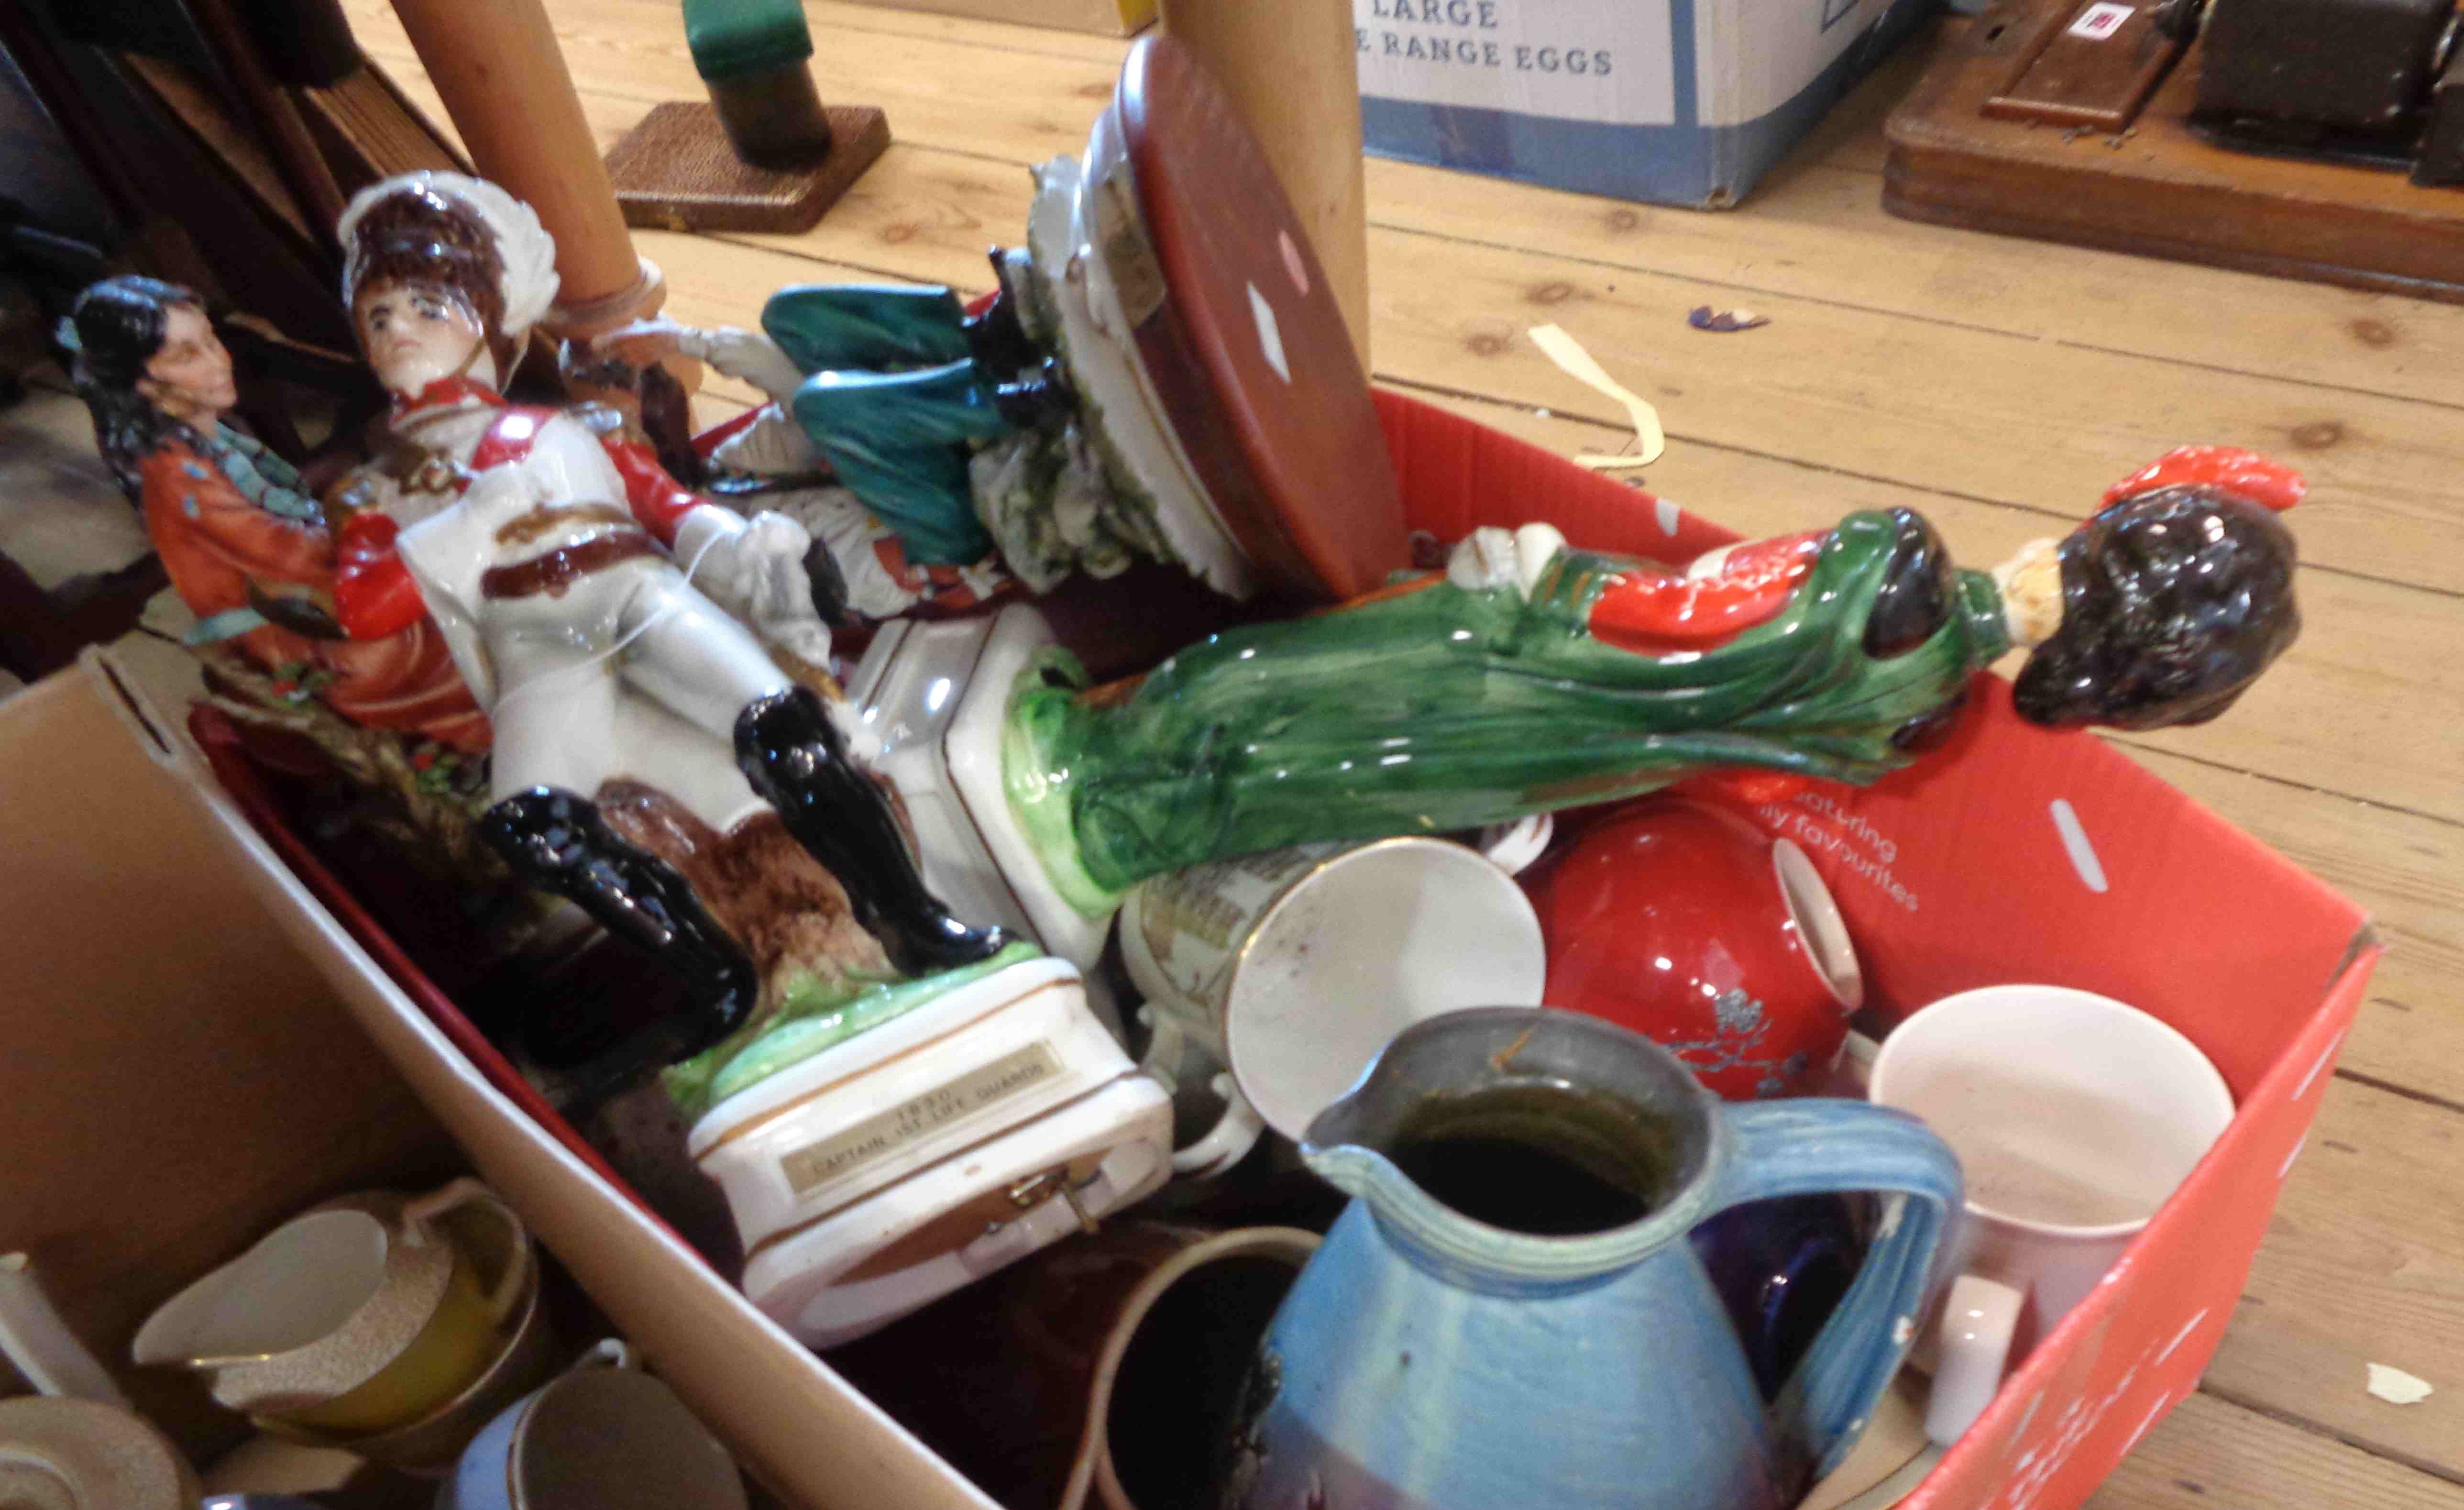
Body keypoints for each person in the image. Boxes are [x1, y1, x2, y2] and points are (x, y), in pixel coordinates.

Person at [323, 173, 1007, 1092]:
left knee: (774, 722)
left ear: (484, 322)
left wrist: (740, 541)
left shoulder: (556, 427)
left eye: (426, 306)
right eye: (378, 314)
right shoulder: (379, 489)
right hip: (536, 650)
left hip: (632, 595)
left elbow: (662, 502)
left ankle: (908, 915)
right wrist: (460, 526)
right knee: (529, 818)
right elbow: (365, 605)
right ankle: (713, 972)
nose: (399, 327)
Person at [1004, 448, 2307, 916]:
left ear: (2082, 547)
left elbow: (1681, 612)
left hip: (1530, 660)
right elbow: (1737, 750)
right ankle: (1118, 836)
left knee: (1277, 687)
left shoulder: (1885, 560)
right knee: (1329, 783)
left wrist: (1538, 580)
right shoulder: (1923, 722)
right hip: (1581, 760)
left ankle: (1084, 784)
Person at [61, 276, 486, 755]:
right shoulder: (179, 478)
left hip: (309, 576)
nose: (218, 361)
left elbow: (291, 506)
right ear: (142, 384)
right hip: (288, 622)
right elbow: (284, 554)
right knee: (453, 632)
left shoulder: (212, 437)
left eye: (210, 339)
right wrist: (383, 526)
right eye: (186, 355)